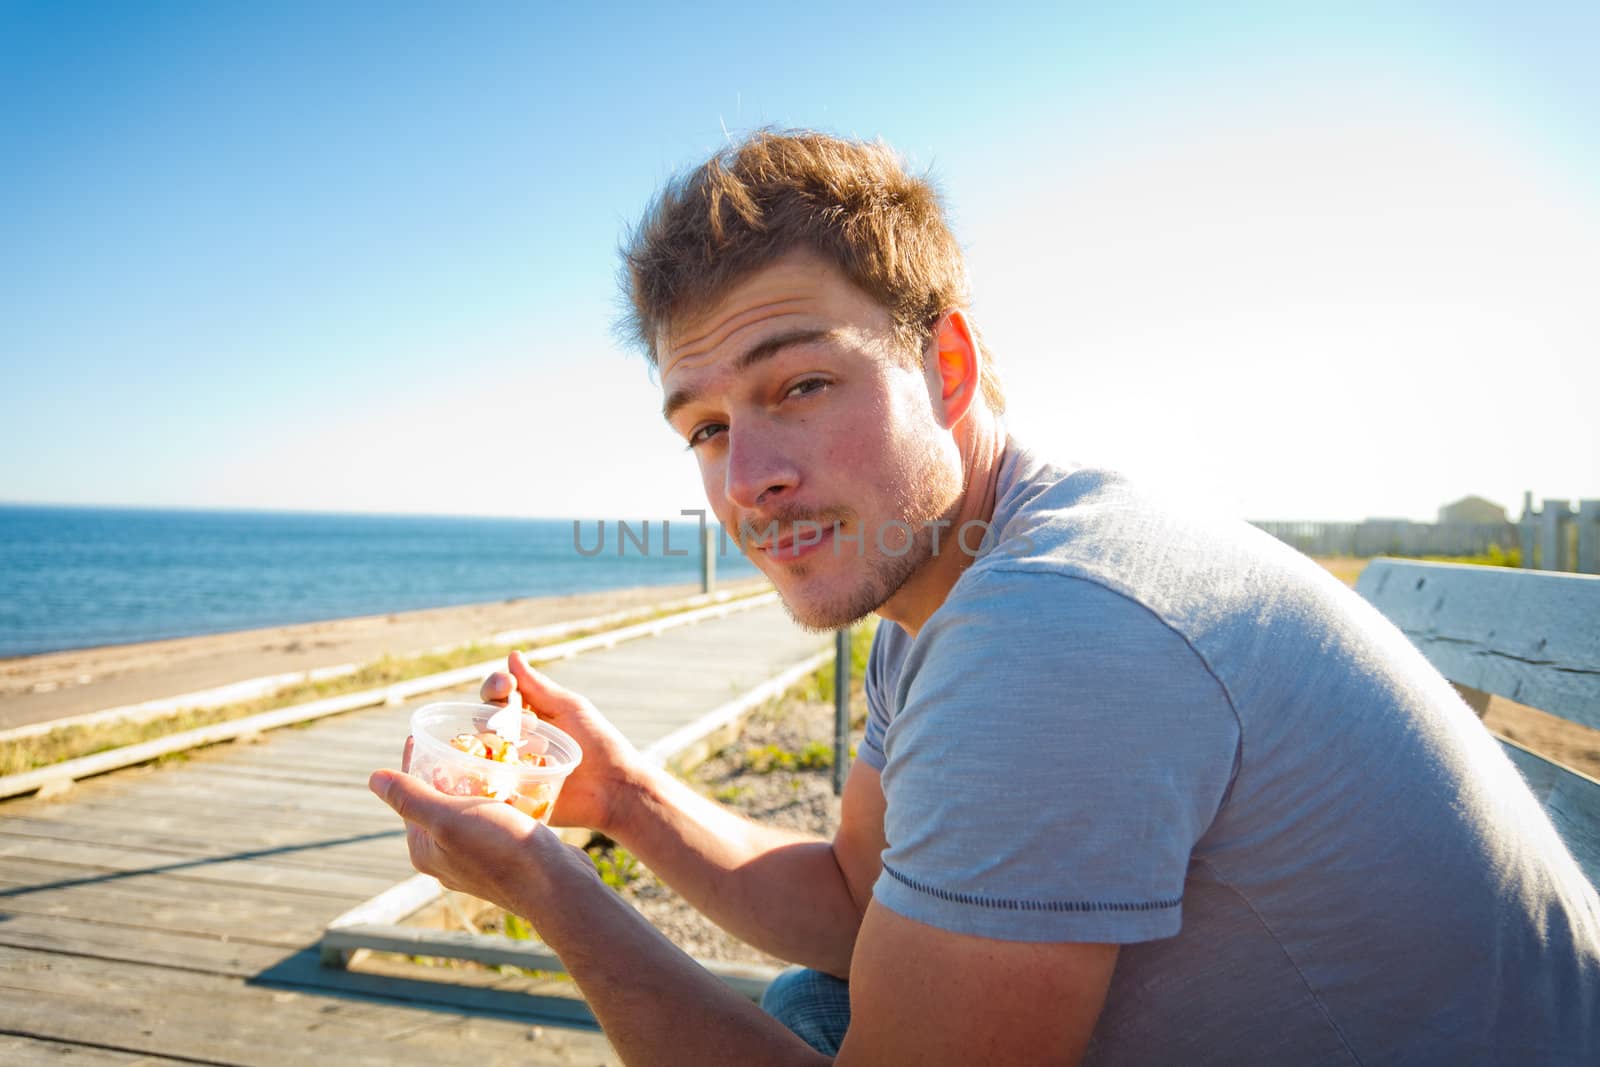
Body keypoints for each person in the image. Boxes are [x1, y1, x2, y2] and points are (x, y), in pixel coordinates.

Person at [370, 130, 1599, 1064]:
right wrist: (621, 795)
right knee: (820, 996)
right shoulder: (952, 577)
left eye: (798, 383)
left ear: (945, 364)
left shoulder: (1052, 629)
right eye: (703, 425)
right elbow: (857, 904)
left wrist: (552, 891)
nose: (749, 479)